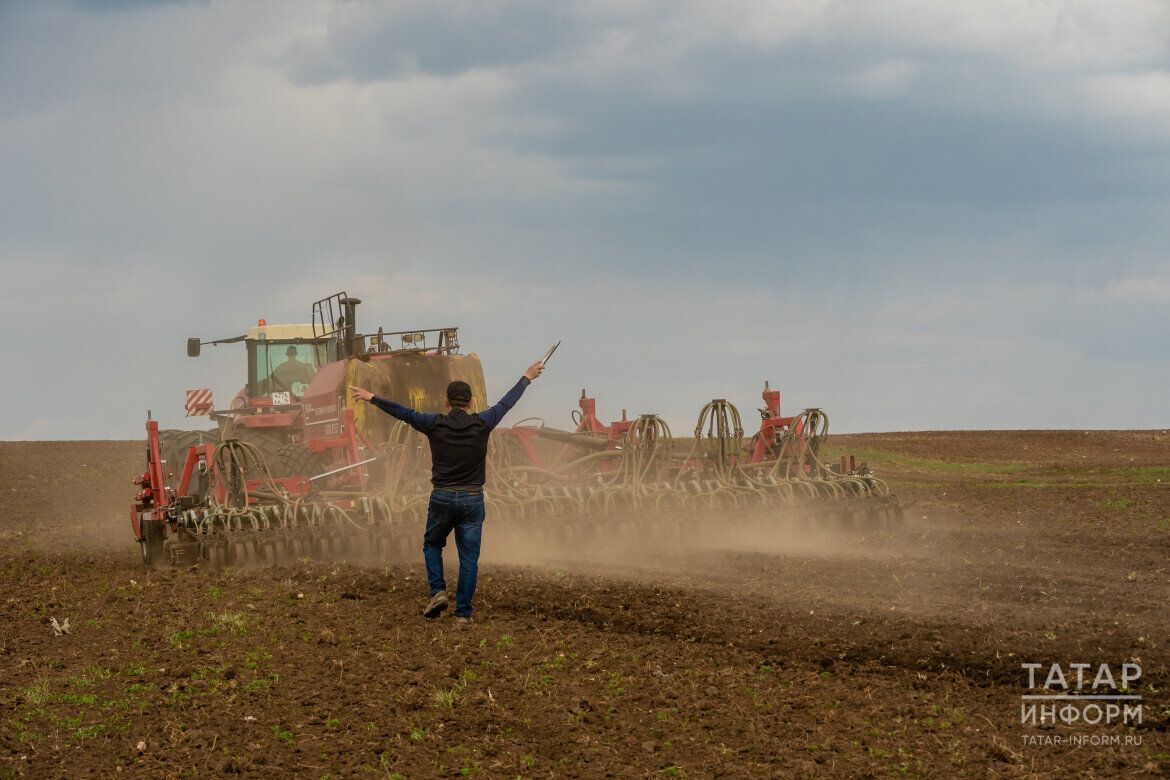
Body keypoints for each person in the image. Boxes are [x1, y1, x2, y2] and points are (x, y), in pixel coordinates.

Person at [349, 360, 545, 625]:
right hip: (472, 499)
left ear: (446, 401)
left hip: (441, 497)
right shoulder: (483, 422)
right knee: (469, 560)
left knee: (432, 544)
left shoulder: (433, 423)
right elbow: (506, 403)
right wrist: (526, 376)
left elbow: (403, 413)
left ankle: (438, 591)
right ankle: (463, 614)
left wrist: (372, 397)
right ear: (471, 402)